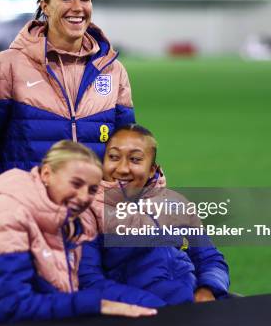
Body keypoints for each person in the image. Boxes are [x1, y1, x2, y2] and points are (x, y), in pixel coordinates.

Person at [0, 140, 155, 326]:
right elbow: (13, 307)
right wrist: (99, 305)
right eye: (75, 184)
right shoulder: (5, 216)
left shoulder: (66, 222)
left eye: (92, 189)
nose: (84, 196)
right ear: (46, 173)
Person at [0, 0, 135, 201]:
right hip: (28, 210)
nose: (77, 6)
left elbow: (125, 147)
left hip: (92, 213)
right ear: (45, 7)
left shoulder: (113, 70)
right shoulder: (8, 65)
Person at [79, 124, 230, 307]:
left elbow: (210, 258)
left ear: (152, 169)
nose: (123, 168)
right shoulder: (88, 211)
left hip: (192, 307)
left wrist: (207, 290)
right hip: (141, 318)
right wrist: (152, 305)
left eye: (135, 159)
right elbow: (90, 281)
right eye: (113, 157)